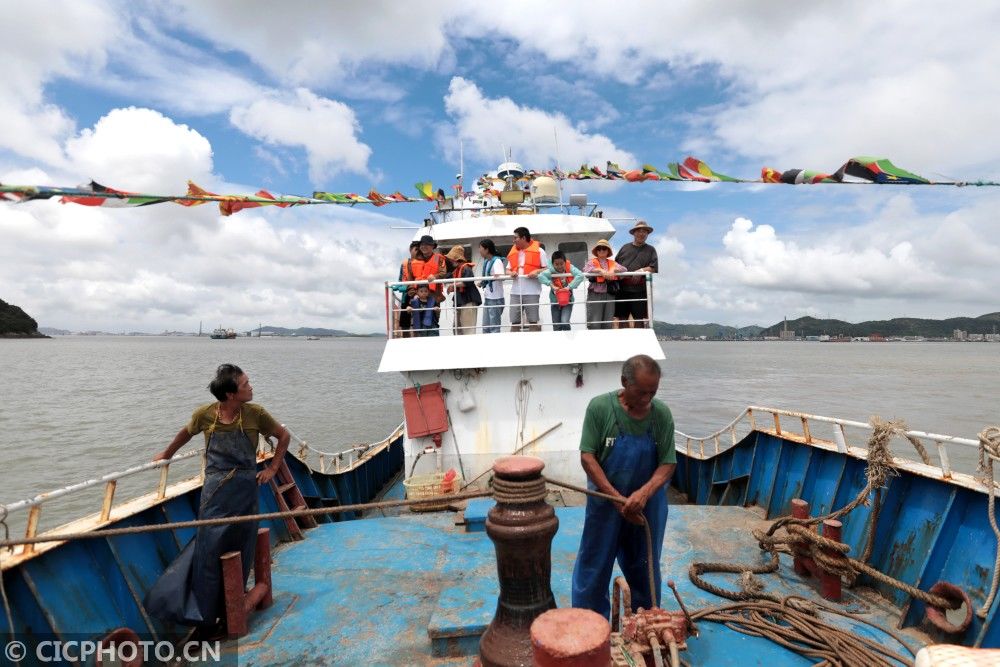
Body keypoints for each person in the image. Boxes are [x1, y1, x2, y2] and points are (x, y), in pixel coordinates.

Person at [145, 364, 290, 632]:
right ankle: (204, 615)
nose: (251, 387)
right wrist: (167, 454)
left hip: (245, 489)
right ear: (230, 394)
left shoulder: (255, 414)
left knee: (241, 543)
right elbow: (185, 434)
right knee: (209, 546)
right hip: (215, 491)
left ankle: (230, 606)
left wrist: (271, 468)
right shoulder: (205, 415)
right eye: (246, 384)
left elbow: (283, 436)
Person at [572, 355, 676, 618]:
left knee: (645, 567)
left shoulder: (661, 415)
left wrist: (643, 493)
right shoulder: (599, 408)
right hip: (605, 504)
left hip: (647, 506)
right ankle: (590, 626)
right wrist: (616, 498)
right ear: (624, 382)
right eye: (641, 392)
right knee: (594, 566)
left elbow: (667, 463)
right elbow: (588, 456)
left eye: (652, 392)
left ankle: (644, 625)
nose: (647, 399)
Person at [614, 220, 658, 328]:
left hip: (640, 290)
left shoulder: (651, 250)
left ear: (647, 234)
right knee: (622, 317)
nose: (641, 234)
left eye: (644, 231)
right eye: (639, 231)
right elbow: (615, 265)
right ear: (634, 233)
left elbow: (653, 268)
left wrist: (641, 271)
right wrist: (620, 272)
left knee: (639, 318)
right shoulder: (624, 248)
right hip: (622, 289)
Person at [507, 226, 548, 332]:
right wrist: (511, 273)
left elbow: (547, 269)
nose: (513, 240)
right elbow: (507, 270)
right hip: (515, 293)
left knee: (533, 321)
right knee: (514, 321)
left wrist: (536, 271)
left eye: (515, 237)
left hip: (532, 292)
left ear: (523, 238)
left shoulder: (539, 251)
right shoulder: (514, 252)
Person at [583, 239, 626, 330]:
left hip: (609, 293)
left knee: (607, 323)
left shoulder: (613, 263)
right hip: (595, 294)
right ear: (596, 251)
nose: (602, 250)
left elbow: (624, 269)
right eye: (599, 249)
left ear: (608, 251)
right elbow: (585, 270)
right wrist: (600, 270)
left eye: (604, 248)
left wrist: (613, 270)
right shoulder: (591, 262)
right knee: (595, 323)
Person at [537, 250, 584, 331]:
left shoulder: (570, 267)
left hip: (568, 301)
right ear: (552, 264)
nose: (559, 266)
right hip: (555, 301)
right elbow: (541, 276)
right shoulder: (550, 271)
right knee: (556, 326)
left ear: (565, 262)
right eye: (556, 264)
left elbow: (580, 275)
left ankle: (568, 340)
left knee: (565, 322)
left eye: (561, 264)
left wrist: (569, 287)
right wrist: (551, 285)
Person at [445, 245, 481, 335]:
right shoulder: (457, 270)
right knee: (457, 329)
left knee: (468, 330)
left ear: (457, 258)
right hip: (461, 302)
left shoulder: (466, 268)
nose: (450, 260)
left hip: (467, 301)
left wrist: (452, 286)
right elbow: (461, 284)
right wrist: (454, 286)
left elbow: (468, 281)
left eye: (452, 258)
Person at [393, 240, 421, 337]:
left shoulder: (422, 263)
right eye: (416, 249)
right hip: (406, 296)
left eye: (419, 250)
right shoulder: (404, 264)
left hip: (419, 296)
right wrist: (400, 286)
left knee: (418, 322)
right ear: (410, 250)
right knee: (405, 322)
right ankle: (406, 340)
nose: (418, 252)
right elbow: (400, 280)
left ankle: (418, 340)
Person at [479, 239, 506, 333]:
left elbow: (501, 277)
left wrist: (496, 276)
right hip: (488, 298)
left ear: (487, 249)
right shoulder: (487, 261)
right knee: (486, 327)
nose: (479, 251)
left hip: (495, 298)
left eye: (481, 248)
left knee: (494, 328)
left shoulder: (497, 261)